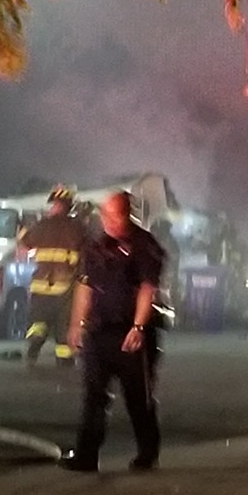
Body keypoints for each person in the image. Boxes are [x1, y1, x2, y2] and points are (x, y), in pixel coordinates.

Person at [62, 190, 166, 472]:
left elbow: (147, 288)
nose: (108, 220)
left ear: (127, 213)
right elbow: (85, 286)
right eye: (104, 215)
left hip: (131, 334)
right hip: (99, 331)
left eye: (114, 214)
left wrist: (138, 327)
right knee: (94, 396)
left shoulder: (144, 245)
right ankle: (86, 455)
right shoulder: (97, 246)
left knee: (137, 397)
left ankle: (147, 453)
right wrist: (76, 325)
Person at [14, 186, 86, 366]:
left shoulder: (42, 225)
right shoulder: (77, 228)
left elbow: (24, 244)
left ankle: (34, 346)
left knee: (38, 322)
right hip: (65, 286)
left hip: (40, 285)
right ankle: (64, 361)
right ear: (70, 206)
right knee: (64, 327)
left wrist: (21, 229)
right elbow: (88, 255)